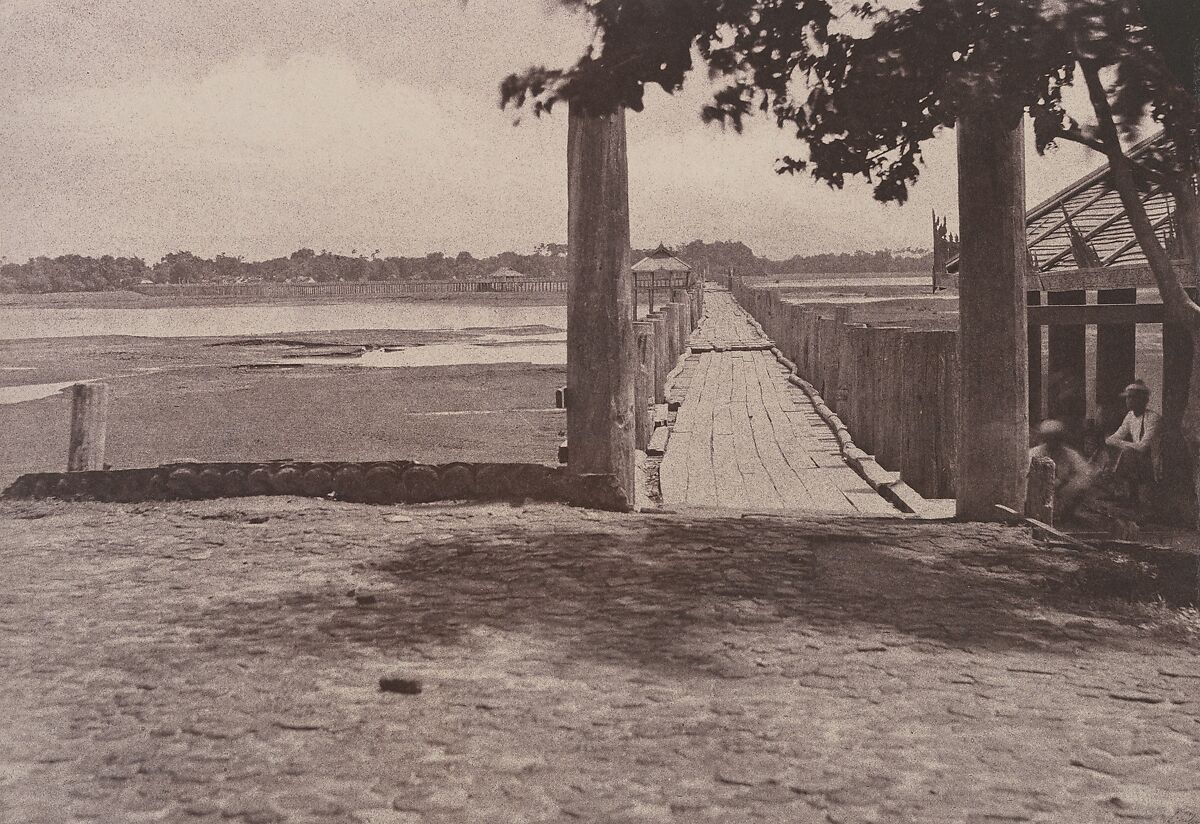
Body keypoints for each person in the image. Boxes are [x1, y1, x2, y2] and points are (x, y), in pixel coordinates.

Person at [1100, 380, 1162, 499]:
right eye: (1127, 397)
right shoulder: (1130, 416)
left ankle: (1129, 495)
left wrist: (1120, 443)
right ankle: (1118, 490)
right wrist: (1118, 442)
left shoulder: (1153, 418)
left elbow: (1143, 447)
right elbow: (1112, 438)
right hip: (1136, 459)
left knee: (1128, 452)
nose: (1128, 401)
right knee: (1116, 449)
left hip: (1151, 462)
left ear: (1143, 400)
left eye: (1132, 397)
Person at [1029, 419, 1093, 519]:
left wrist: (1067, 485)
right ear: (1044, 438)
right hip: (1039, 497)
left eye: (1056, 438)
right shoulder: (1034, 453)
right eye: (1049, 438)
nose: (1053, 442)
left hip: (1063, 499)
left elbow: (1085, 475)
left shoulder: (1070, 454)